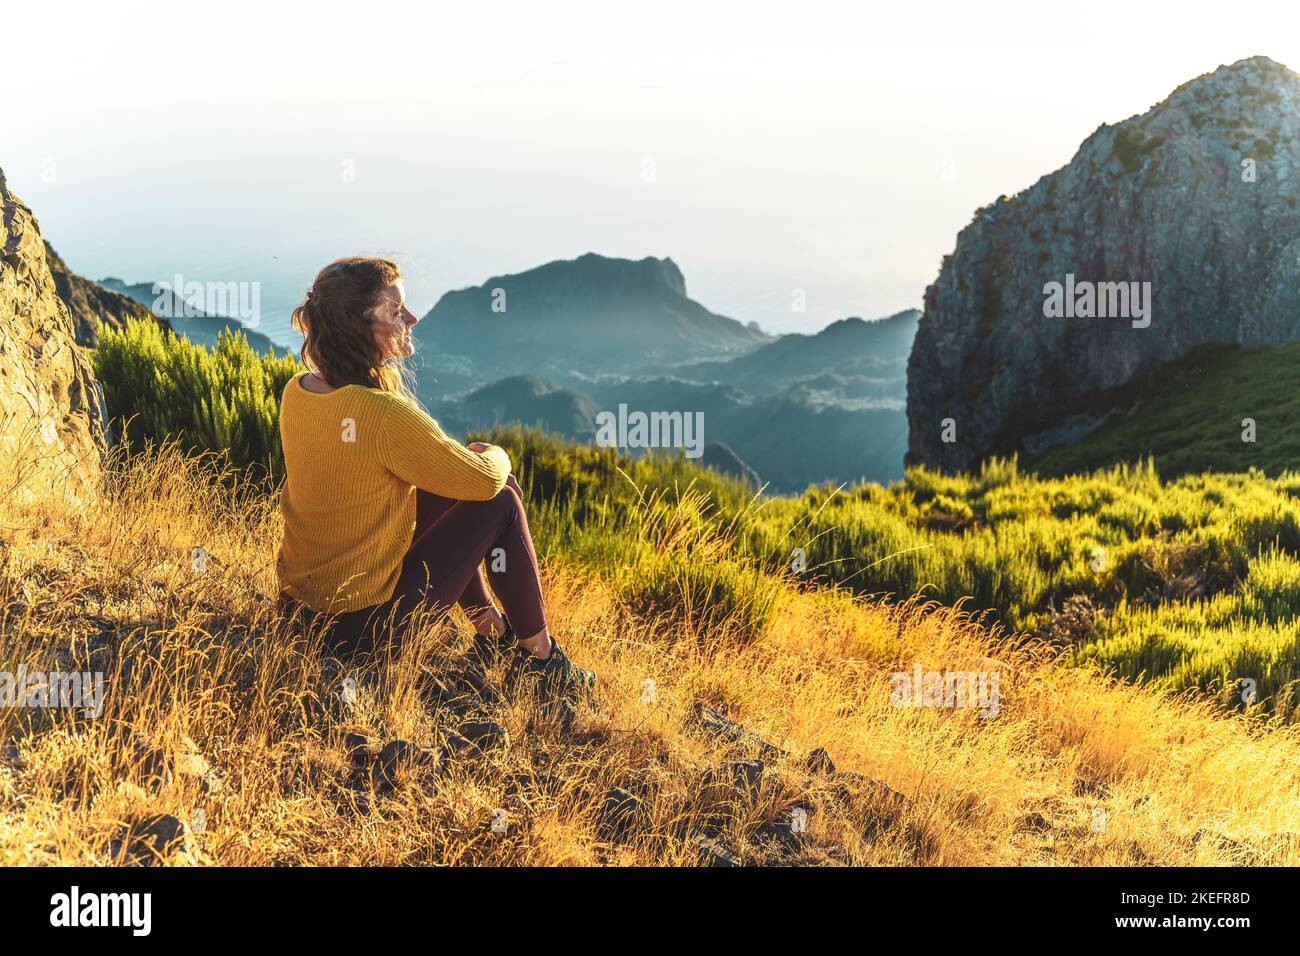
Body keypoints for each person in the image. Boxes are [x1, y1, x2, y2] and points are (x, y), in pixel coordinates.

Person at [274, 256, 593, 694]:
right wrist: (498, 455)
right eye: (395, 311)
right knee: (500, 500)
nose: (412, 318)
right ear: (358, 326)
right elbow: (484, 481)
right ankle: (540, 659)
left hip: (297, 614)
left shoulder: (297, 391)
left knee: (449, 485)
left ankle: (492, 634)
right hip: (361, 635)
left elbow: (423, 471)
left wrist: (469, 467)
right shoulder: (383, 414)